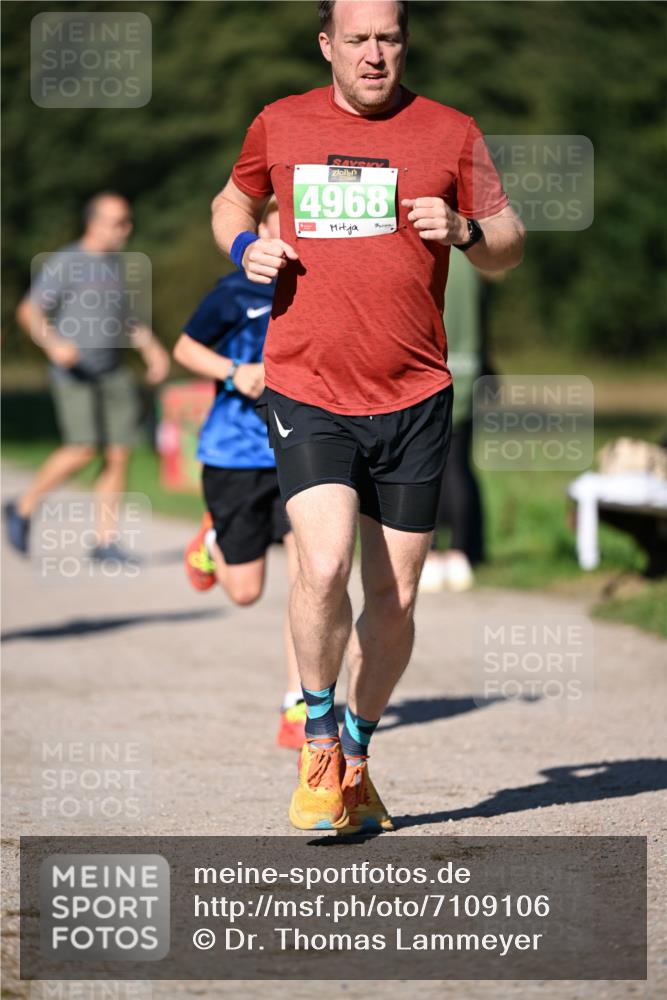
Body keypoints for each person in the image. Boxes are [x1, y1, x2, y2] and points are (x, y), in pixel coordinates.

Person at [210, 0, 525, 834]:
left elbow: (507, 243)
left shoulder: (450, 131)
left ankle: (356, 745)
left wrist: (463, 229)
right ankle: (316, 740)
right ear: (327, 45)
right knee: (320, 565)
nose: (374, 54)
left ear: (404, 44)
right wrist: (248, 250)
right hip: (308, 386)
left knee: (395, 599)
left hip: (415, 394)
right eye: (357, 39)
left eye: (388, 37)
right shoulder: (279, 123)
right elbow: (229, 205)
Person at [173, 198, 305, 750]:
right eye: (282, 220)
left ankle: (299, 704)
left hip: (302, 456)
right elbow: (184, 348)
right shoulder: (233, 292)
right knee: (246, 593)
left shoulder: (322, 287)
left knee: (314, 579)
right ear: (260, 230)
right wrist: (235, 370)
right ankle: (211, 538)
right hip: (234, 456)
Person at [5, 192, 170, 560]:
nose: (126, 229)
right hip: (73, 371)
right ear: (93, 223)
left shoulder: (114, 265)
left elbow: (125, 318)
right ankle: (22, 507)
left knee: (119, 453)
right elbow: (29, 311)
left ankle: (105, 541)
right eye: (118, 222)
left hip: (110, 370)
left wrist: (151, 348)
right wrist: (52, 344)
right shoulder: (67, 262)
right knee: (82, 449)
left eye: (128, 221)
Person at [419, 251, 498, 593]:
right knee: (459, 466)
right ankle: (463, 551)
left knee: (429, 468)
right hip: (469, 371)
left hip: (432, 370)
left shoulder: (429, 256)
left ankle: (434, 551)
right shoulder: (473, 263)